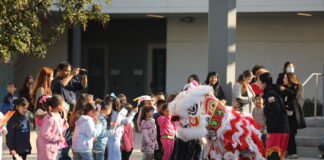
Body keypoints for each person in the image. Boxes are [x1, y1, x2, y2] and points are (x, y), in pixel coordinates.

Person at [52, 62, 88, 160]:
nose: (68, 73)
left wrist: (84, 76)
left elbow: (82, 86)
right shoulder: (56, 81)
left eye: (69, 71)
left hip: (71, 116)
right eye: (66, 71)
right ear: (59, 71)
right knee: (64, 143)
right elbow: (61, 85)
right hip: (61, 116)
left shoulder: (71, 81)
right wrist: (72, 74)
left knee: (69, 141)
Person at [257, 72, 289, 159]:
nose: (257, 83)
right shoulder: (272, 92)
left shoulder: (270, 94)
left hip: (278, 130)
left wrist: (269, 129)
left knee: (273, 156)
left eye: (259, 81)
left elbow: (275, 113)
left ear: (264, 83)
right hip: (280, 129)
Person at [277, 73, 306, 159]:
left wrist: (285, 90)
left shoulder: (298, 86)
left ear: (290, 79)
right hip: (285, 115)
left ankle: (293, 152)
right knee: (286, 134)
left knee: (291, 134)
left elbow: (295, 97)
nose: (283, 79)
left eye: (285, 78)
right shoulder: (283, 87)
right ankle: (286, 151)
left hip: (294, 115)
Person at [37, 95, 69, 160]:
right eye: (63, 103)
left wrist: (65, 126)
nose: (64, 105)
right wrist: (58, 138)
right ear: (59, 105)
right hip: (46, 148)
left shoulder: (57, 115)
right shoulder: (50, 118)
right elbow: (45, 133)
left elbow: (56, 130)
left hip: (51, 147)